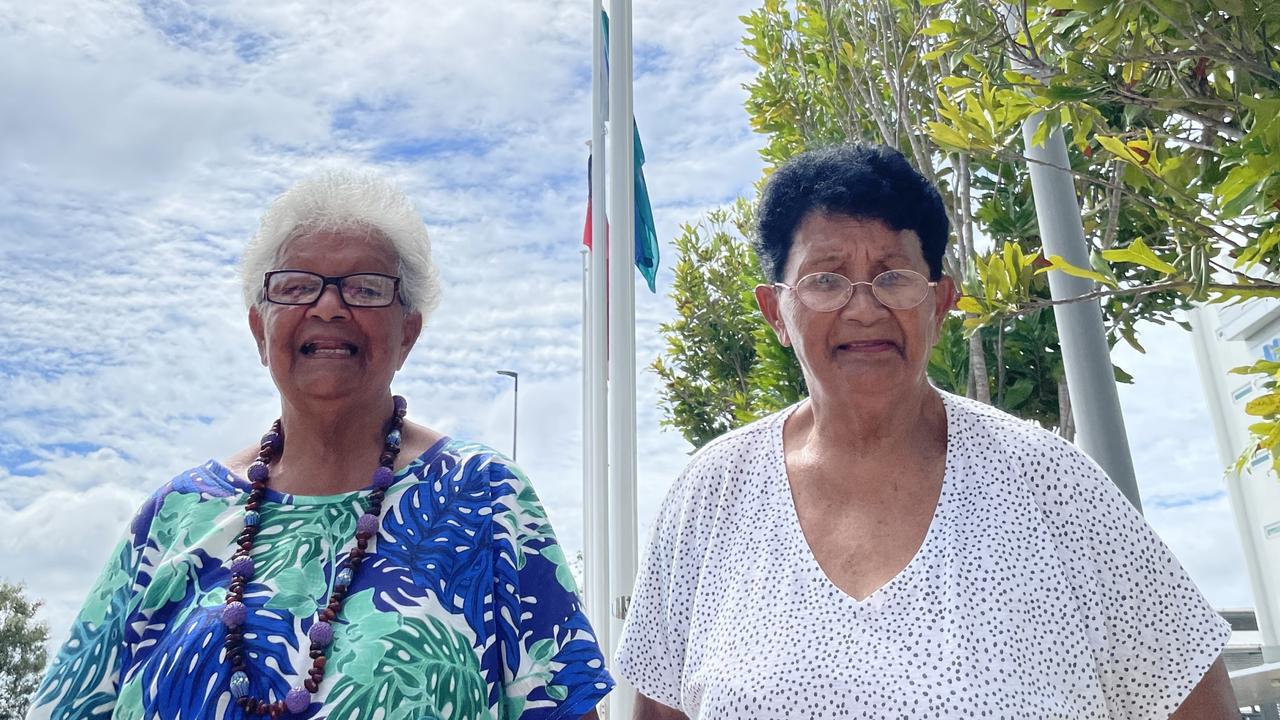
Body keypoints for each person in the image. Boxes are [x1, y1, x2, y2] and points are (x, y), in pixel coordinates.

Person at [613, 144, 1236, 719]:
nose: (864, 307)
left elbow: (1192, 698)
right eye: (825, 278)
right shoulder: (711, 495)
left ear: (939, 304)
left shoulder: (1051, 484)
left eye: (894, 275)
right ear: (777, 311)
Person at [28, 170, 613, 719]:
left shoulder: (483, 498)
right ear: (261, 329)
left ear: (407, 332)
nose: (329, 306)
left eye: (365, 287)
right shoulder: (177, 514)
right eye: (297, 286)